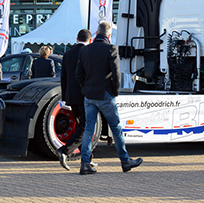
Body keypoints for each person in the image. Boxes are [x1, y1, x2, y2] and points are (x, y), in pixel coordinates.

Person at [76, 22, 142, 174]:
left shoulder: (85, 50)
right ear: (109, 35)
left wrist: (85, 88)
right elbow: (116, 74)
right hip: (105, 94)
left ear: (97, 32)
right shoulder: (111, 48)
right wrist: (115, 92)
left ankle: (85, 163)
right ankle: (125, 161)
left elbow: (78, 74)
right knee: (116, 128)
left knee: (89, 129)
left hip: (89, 95)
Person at [57, 29, 92, 171]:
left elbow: (63, 77)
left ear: (77, 39)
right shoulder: (88, 53)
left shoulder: (68, 54)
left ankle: (87, 158)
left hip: (71, 96)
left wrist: (65, 97)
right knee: (86, 126)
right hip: (84, 95)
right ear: (90, 40)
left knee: (80, 126)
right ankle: (65, 151)